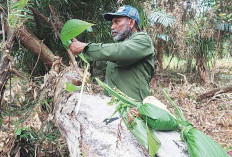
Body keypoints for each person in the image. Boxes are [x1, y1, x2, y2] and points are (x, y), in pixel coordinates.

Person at [69, 5, 155, 101]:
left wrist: (86, 47)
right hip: (112, 107)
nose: (112, 27)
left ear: (131, 22)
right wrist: (80, 53)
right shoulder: (117, 48)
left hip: (133, 110)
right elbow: (101, 61)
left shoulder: (143, 40)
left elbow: (119, 51)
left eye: (117, 22)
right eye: (112, 23)